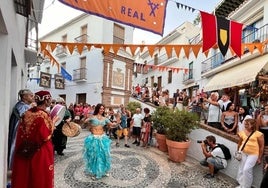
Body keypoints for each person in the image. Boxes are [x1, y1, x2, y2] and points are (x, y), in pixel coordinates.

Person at [11, 90, 58, 188]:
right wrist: (53, 123)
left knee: (28, 175)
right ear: (45, 101)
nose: (51, 101)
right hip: (41, 151)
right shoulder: (43, 115)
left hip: (26, 148)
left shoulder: (27, 112)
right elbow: (45, 136)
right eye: (50, 99)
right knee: (40, 176)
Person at [83, 103, 117, 179]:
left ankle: (103, 171)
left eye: (103, 109)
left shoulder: (105, 118)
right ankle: (96, 172)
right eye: (100, 108)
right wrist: (87, 119)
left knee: (104, 155)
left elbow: (111, 124)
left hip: (102, 138)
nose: (102, 110)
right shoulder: (93, 117)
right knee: (96, 156)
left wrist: (116, 122)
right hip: (94, 138)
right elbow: (85, 122)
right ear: (97, 109)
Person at [8, 89, 34, 170]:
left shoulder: (25, 105)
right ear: (24, 97)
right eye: (31, 96)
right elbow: (26, 117)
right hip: (19, 131)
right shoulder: (21, 105)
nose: (32, 97)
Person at [236, 118, 264, 188]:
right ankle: (241, 184)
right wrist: (238, 152)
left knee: (247, 169)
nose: (245, 125)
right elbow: (239, 143)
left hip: (253, 154)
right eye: (245, 124)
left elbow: (261, 146)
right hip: (243, 152)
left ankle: (246, 186)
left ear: (252, 125)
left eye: (247, 124)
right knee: (241, 169)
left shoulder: (259, 134)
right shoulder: (242, 132)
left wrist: (259, 158)